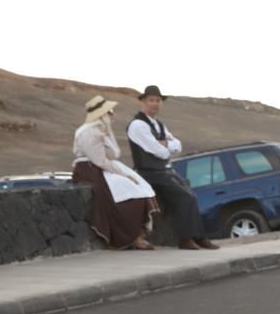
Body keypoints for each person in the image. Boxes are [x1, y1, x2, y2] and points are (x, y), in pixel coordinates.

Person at [126, 86, 218, 249]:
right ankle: (185, 239)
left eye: (158, 100)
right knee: (184, 197)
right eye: (151, 100)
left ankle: (199, 237)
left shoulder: (159, 125)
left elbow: (178, 145)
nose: (155, 104)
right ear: (143, 101)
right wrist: (166, 147)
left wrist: (166, 143)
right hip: (149, 173)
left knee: (191, 195)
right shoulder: (138, 125)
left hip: (164, 171)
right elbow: (158, 152)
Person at [71, 95, 156, 250]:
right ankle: (129, 236)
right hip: (90, 170)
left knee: (138, 188)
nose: (113, 114)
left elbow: (109, 156)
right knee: (121, 193)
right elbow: (99, 160)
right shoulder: (90, 132)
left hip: (102, 167)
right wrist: (123, 175)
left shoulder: (101, 130)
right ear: (102, 114)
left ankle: (138, 234)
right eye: (110, 111)